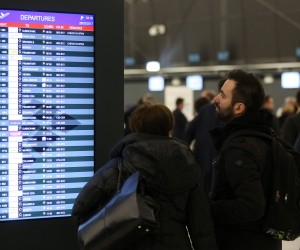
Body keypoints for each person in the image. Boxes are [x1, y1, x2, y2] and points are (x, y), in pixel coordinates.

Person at [72, 103, 218, 250]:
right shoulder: (189, 166)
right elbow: (201, 225)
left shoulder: (120, 166)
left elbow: (80, 206)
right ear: (170, 130)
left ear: (136, 128)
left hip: (132, 242)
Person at [209, 69, 282, 250]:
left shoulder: (240, 147)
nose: (215, 99)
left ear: (239, 108)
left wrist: (205, 208)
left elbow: (251, 205)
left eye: (223, 96)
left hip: (243, 241)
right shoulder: (264, 135)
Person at [185, 78, 225, 194]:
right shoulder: (231, 111)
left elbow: (188, 133)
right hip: (222, 162)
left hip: (203, 160)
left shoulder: (204, 110)